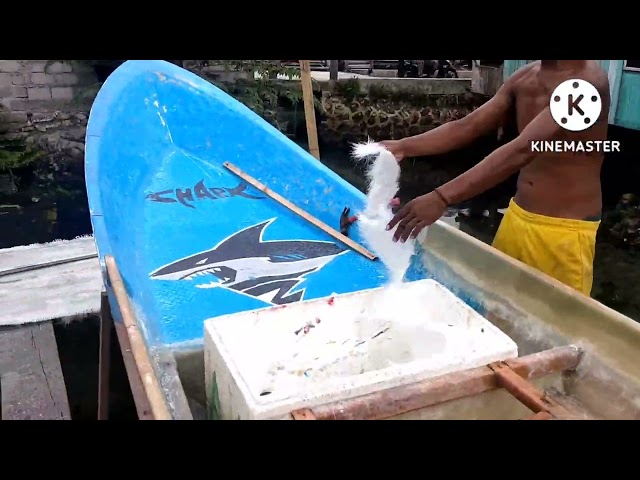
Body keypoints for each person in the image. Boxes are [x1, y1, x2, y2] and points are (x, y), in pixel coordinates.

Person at [382, 60, 611, 296]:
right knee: (498, 309)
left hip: (564, 232)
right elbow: (467, 126)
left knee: (556, 324)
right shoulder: (526, 77)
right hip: (517, 217)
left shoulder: (588, 83)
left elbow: (522, 150)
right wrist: (402, 147)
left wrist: (442, 197)